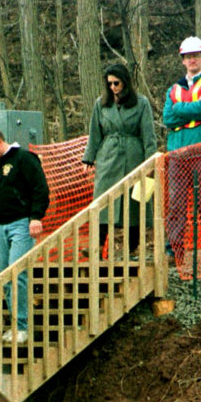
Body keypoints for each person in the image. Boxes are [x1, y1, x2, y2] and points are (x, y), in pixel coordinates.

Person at [0, 127, 50, 343]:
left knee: (17, 272)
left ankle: (22, 325)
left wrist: (36, 216)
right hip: (0, 225)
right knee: (5, 276)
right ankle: (14, 323)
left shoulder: (24, 159)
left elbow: (40, 188)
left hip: (21, 223)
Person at [162, 36, 201, 265]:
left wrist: (182, 110)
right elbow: (168, 118)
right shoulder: (175, 87)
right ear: (183, 60)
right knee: (176, 203)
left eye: (196, 56)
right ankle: (174, 251)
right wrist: (195, 112)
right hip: (179, 153)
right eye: (188, 57)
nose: (192, 60)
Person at [82, 63, 158, 258]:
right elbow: (94, 133)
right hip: (108, 156)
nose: (113, 87)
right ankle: (98, 246)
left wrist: (150, 164)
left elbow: (149, 136)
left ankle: (133, 247)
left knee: (134, 203)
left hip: (134, 156)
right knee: (103, 201)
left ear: (125, 82)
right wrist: (88, 159)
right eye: (109, 84)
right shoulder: (101, 103)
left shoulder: (141, 103)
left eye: (116, 83)